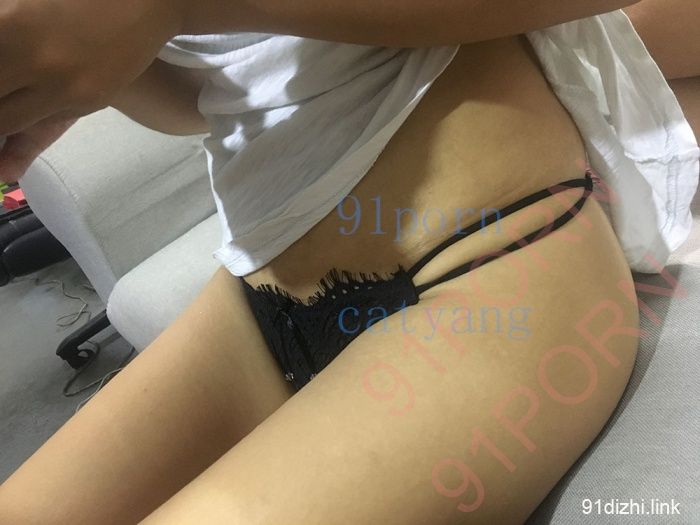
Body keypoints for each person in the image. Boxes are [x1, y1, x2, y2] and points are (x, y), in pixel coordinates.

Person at [0, 1, 698, 523]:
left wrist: (170, 6)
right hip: (260, 294)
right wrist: (91, 69)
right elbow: (213, 98)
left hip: (486, 265)